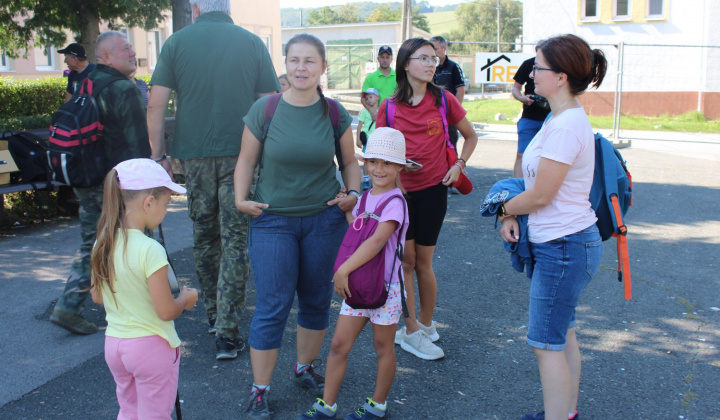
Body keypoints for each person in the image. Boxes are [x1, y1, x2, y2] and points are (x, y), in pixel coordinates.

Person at [234, 33, 361, 419]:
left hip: (324, 219)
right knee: (272, 305)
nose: (301, 68)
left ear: (323, 67)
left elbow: (350, 163)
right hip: (273, 221)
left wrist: (353, 192)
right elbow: (245, 160)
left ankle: (304, 367)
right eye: (294, 60)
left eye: (309, 61)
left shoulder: (335, 113)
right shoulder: (265, 109)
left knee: (316, 298)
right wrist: (240, 199)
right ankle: (260, 389)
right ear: (285, 65)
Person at [147, 0, 280, 360]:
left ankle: (212, 316)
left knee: (205, 236)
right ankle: (227, 330)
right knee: (236, 238)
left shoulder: (175, 42)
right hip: (243, 153)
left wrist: (158, 155)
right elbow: (270, 101)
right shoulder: (252, 43)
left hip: (193, 155)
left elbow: (156, 104)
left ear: (195, 8)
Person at [498, 34, 608, 420]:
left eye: (538, 67)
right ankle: (564, 413)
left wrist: (501, 208)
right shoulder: (559, 117)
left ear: (560, 77)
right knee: (563, 336)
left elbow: (542, 195)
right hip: (567, 244)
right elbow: (535, 186)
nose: (531, 75)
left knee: (546, 344)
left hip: (564, 247)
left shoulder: (564, 126)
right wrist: (511, 210)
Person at [376, 37, 478, 361]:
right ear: (406, 64)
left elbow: (471, 136)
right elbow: (378, 154)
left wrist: (459, 165)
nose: (432, 63)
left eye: (434, 58)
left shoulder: (444, 99)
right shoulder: (389, 107)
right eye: (424, 58)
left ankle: (426, 324)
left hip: (435, 190)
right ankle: (410, 331)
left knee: (424, 263)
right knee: (405, 261)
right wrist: (394, 176)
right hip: (400, 195)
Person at [297, 127, 409, 420]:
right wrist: (347, 207)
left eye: (387, 163)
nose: (379, 169)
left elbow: (376, 241)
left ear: (399, 167)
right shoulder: (367, 197)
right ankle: (327, 406)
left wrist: (343, 269)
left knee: (383, 346)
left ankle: (377, 405)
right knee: (338, 345)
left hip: (385, 289)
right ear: (366, 164)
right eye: (373, 162)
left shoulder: (395, 203)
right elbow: (359, 229)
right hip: (359, 283)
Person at [50, 31, 151, 335]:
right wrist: (147, 185)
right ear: (105, 56)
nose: (133, 52)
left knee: (92, 243)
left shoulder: (84, 84)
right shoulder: (124, 89)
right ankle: (147, 306)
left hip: (85, 178)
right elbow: (138, 147)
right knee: (138, 241)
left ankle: (69, 306)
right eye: (125, 48)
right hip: (116, 183)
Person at [89, 159, 198, 420]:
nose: (165, 210)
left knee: (129, 411)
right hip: (151, 347)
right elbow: (165, 311)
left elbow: (96, 296)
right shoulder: (151, 249)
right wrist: (184, 300)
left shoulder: (103, 242)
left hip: (115, 346)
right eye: (165, 204)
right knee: (155, 414)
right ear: (148, 202)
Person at [512, 55, 551, 177]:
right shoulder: (528, 63)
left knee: (549, 157)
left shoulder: (557, 64)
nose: (532, 76)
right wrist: (521, 98)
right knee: (521, 154)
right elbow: (515, 88)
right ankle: (517, 188)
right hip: (530, 116)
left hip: (551, 117)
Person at [429, 36, 466, 149]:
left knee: (450, 148)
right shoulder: (427, 67)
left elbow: (460, 90)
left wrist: (453, 112)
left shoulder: (453, 67)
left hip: (448, 116)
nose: (433, 52)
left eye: (436, 48)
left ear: (444, 48)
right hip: (431, 116)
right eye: (431, 49)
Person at [361, 45, 396, 120]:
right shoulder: (370, 78)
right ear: (378, 59)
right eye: (382, 57)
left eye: (387, 57)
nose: (385, 60)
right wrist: (371, 110)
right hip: (378, 116)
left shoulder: (399, 77)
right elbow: (363, 98)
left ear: (391, 59)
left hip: (395, 115)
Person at [356, 87, 379, 190]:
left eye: (370, 97)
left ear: (377, 97)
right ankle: (366, 180)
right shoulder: (365, 111)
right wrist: (358, 139)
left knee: (378, 160)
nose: (368, 100)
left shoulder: (381, 110)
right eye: (366, 98)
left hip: (378, 140)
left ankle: (376, 179)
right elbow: (359, 125)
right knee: (367, 160)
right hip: (368, 140)